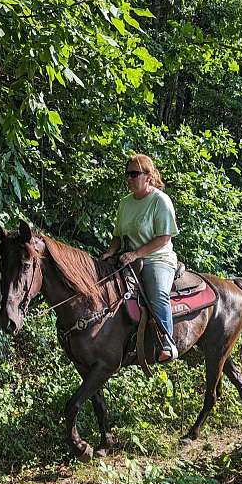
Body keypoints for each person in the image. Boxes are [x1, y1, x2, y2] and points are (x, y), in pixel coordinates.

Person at [101, 154, 179, 362]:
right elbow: (118, 236)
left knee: (157, 293)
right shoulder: (125, 203)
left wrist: (137, 253)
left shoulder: (160, 201)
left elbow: (164, 237)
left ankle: (167, 342)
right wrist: (110, 252)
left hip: (157, 259)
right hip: (128, 258)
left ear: (149, 176)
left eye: (134, 174)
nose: (129, 178)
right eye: (128, 174)